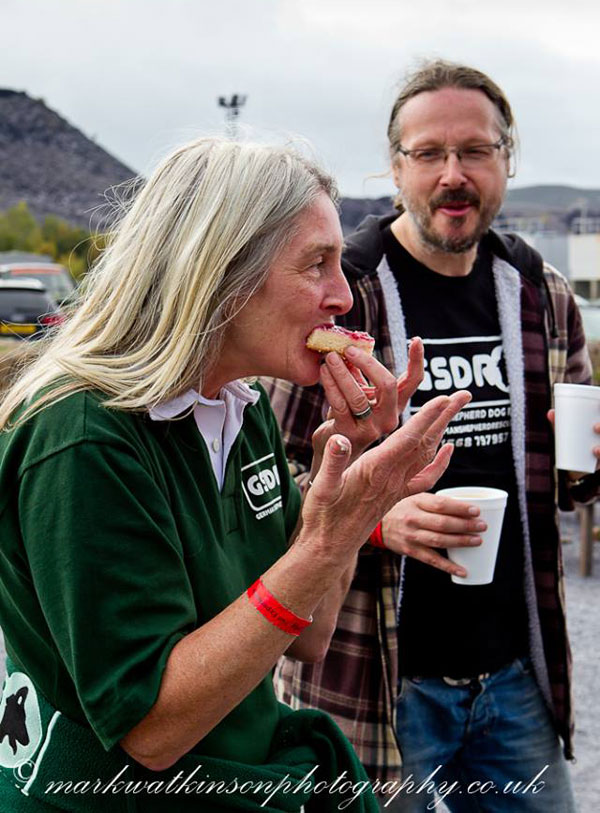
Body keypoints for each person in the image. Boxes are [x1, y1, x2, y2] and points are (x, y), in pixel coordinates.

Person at [0, 137, 469, 812]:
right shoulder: (82, 435)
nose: (343, 296)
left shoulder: (237, 410)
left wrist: (352, 492)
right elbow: (153, 730)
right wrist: (328, 539)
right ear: (219, 270)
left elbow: (306, 637)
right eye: (317, 265)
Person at [267, 61, 597, 811]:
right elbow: (262, 478)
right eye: (430, 153)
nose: (454, 174)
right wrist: (373, 520)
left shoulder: (540, 291)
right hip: (378, 678)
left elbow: (573, 477)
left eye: (476, 151)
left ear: (507, 160)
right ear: (395, 166)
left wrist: (594, 462)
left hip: (515, 677)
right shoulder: (337, 294)